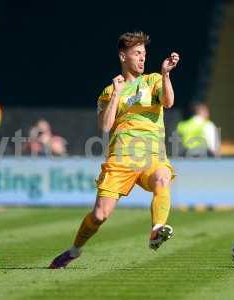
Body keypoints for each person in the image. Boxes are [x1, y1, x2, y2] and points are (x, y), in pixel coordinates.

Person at [49, 31, 180, 268]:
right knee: (99, 215)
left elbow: (169, 102)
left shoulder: (153, 80)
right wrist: (118, 94)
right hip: (121, 160)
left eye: (144, 54)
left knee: (163, 177)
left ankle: (157, 229)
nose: (142, 58)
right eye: (137, 53)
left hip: (152, 157)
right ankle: (74, 250)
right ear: (123, 56)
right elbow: (105, 126)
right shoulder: (109, 92)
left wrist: (166, 73)